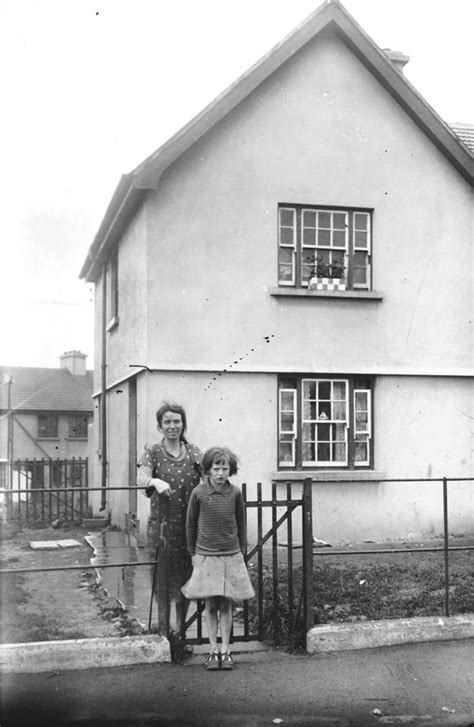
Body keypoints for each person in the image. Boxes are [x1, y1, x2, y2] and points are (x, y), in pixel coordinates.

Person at [181, 446, 255, 670]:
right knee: (210, 604)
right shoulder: (199, 493)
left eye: (225, 468)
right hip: (207, 556)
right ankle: (212, 650)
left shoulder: (235, 493)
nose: (221, 473)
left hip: (230, 555)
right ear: (208, 470)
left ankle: (226, 650)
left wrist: (241, 550)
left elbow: (241, 523)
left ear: (230, 470)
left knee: (227, 604)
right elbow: (190, 525)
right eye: (216, 468)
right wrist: (193, 554)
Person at [137, 402, 202, 634]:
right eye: (167, 422)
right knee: (163, 581)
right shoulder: (152, 453)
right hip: (162, 529)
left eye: (177, 421)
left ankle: (182, 633)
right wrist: (154, 481)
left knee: (186, 580)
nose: (172, 426)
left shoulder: (194, 452)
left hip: (188, 528)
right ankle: (166, 635)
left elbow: (211, 476)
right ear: (159, 426)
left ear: (183, 424)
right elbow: (141, 478)